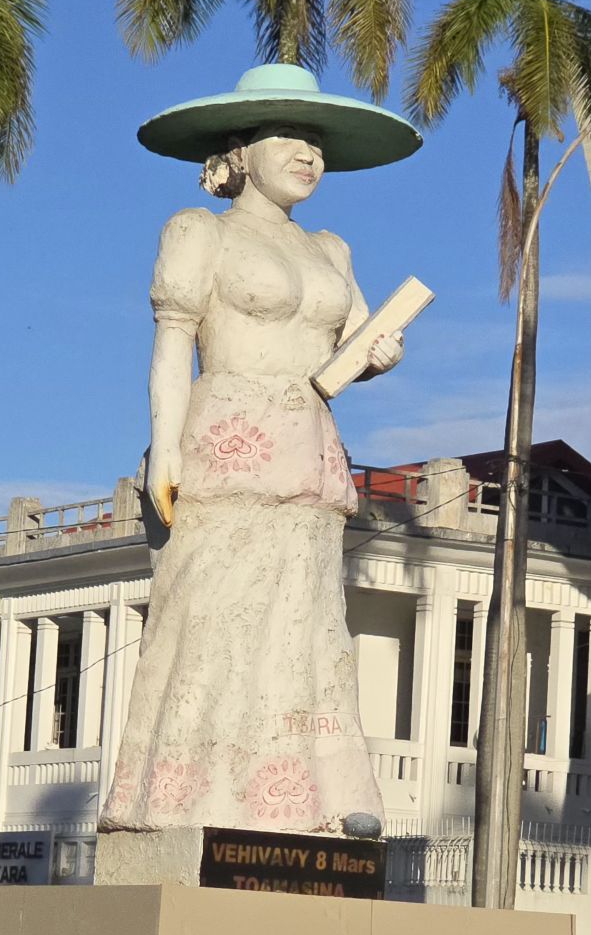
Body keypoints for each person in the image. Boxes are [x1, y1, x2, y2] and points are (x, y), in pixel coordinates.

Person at [98, 64, 421, 839]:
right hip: (229, 442)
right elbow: (173, 347)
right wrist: (165, 452)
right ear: (239, 150)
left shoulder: (332, 250)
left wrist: (381, 354)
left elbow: (360, 343)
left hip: (309, 451)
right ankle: (184, 798)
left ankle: (313, 796)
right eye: (289, 137)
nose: (308, 153)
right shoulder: (198, 233)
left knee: (306, 624)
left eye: (316, 140)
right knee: (216, 617)